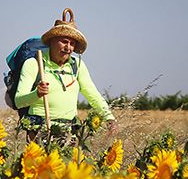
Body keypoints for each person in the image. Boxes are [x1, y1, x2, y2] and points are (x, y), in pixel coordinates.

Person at [14, 8, 117, 140]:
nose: (68, 47)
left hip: (70, 131)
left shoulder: (77, 65)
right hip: (40, 130)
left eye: (72, 43)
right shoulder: (34, 63)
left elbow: (92, 93)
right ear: (52, 41)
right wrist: (37, 94)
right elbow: (19, 101)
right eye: (64, 41)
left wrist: (108, 117)